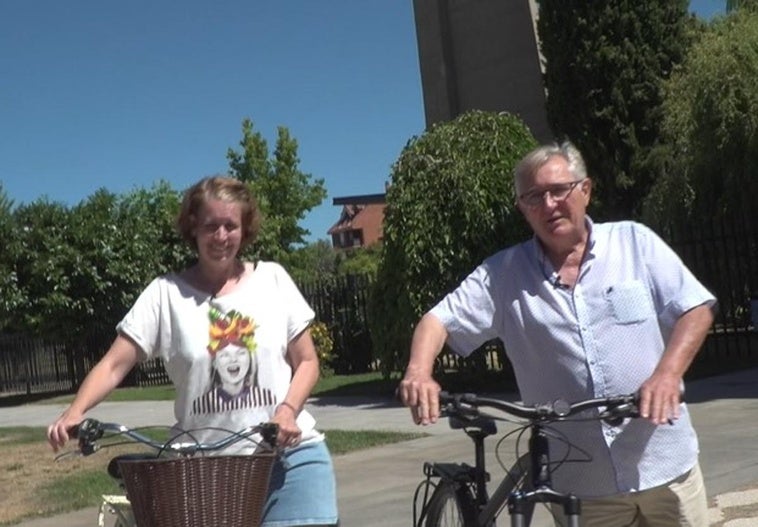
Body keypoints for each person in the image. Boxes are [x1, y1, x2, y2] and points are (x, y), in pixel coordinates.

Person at [398, 141, 716, 526]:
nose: (548, 204)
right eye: (534, 196)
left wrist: (667, 373)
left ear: (585, 190)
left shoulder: (635, 242)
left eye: (558, 190)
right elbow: (437, 320)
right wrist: (419, 371)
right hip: (582, 487)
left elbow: (694, 308)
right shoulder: (504, 274)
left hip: (664, 465)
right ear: (522, 208)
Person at [47, 175, 339, 527]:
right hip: (205, 472)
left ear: (244, 229)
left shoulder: (272, 280)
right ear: (193, 229)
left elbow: (307, 361)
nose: (220, 236)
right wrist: (74, 412)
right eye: (210, 225)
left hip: (288, 460)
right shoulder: (164, 295)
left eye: (230, 225)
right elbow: (114, 364)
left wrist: (288, 412)